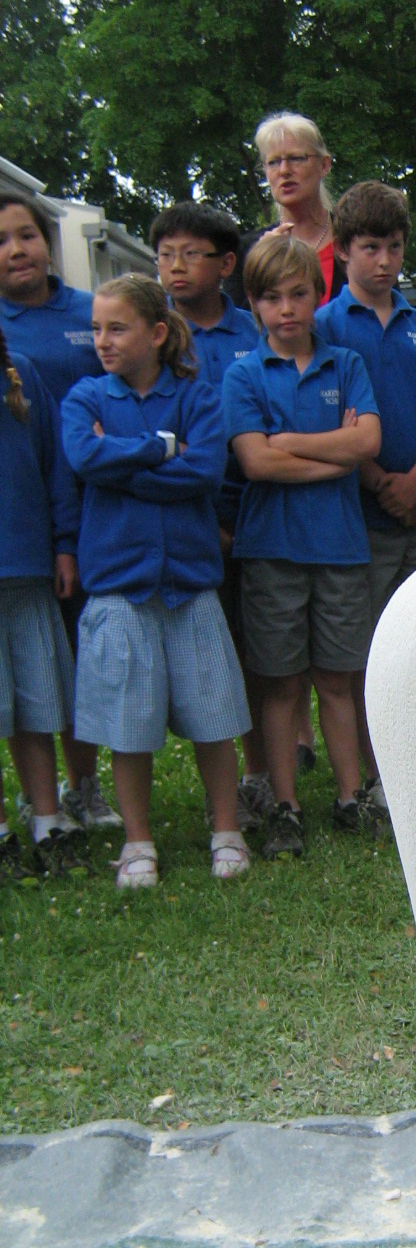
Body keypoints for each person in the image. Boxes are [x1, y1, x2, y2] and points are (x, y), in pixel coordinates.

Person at [60, 275, 251, 889]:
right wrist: (160, 448)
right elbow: (82, 459)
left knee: (214, 718)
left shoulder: (196, 397)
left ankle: (227, 829)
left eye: (117, 328)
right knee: (129, 725)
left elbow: (203, 472)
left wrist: (122, 463)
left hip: (190, 584)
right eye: (96, 329)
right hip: (119, 588)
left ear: (157, 333)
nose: (103, 341)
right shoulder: (84, 400)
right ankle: (137, 842)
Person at [224, 233, 382, 860]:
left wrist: (289, 441)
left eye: (297, 294)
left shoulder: (345, 365)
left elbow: (366, 443)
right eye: (270, 298)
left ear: (318, 297)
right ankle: (287, 807)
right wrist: (328, 454)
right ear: (254, 305)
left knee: (339, 680)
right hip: (272, 551)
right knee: (282, 684)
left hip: (340, 548)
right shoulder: (243, 373)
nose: (286, 308)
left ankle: (350, 797)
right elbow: (255, 463)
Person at [315, 180, 416, 814]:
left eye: (394, 247)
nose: (384, 261)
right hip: (358, 517)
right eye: (370, 247)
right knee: (369, 651)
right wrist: (379, 483)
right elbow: (326, 423)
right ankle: (377, 774)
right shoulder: (322, 325)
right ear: (343, 250)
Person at [0, 189, 121, 830]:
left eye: (26, 234)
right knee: (32, 665)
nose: (16, 249)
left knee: (77, 657)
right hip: (24, 521)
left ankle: (83, 785)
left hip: (93, 508)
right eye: (1, 241)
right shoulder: (3, 333)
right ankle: (38, 793)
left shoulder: (89, 311)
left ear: (47, 239)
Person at [151, 200, 273, 829]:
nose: (175, 267)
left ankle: (258, 774)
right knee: (210, 656)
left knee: (252, 649)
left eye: (189, 254)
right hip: (183, 517)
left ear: (226, 264)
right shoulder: (153, 333)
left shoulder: (253, 333)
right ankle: (221, 775)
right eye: (165, 254)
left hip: (251, 507)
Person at [0, 327, 86, 882]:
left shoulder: (22, 374)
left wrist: (63, 544)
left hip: (26, 568)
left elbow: (55, 465)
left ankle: (49, 821)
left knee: (36, 706)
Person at [235, 112, 344, 309]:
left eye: (296, 158)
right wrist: (261, 263)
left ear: (324, 165)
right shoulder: (247, 251)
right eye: (274, 162)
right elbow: (242, 328)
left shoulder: (355, 239)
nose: (284, 170)